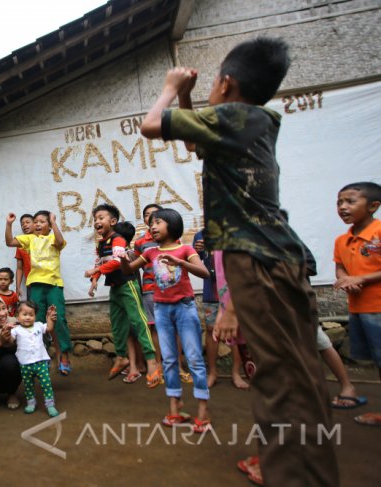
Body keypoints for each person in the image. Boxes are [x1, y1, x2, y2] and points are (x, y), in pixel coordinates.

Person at [141, 37, 338, 485]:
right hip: (281, 256)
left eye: (212, 83)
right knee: (298, 371)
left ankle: (293, 474)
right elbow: (195, 144)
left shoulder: (233, 116)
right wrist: (192, 97)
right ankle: (290, 464)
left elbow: (152, 125)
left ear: (227, 84)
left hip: (256, 259)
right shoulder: (254, 122)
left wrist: (172, 86)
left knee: (280, 378)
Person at [120, 208, 211, 432]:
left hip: (184, 307)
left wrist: (179, 262)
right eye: (151, 223)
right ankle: (175, 407)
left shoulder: (186, 249)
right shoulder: (150, 252)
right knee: (169, 360)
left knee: (194, 359)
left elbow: (203, 272)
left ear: (172, 224)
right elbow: (129, 269)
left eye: (157, 222)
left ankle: (203, 412)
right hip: (161, 309)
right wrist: (122, 259)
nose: (152, 226)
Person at [85, 204, 160, 385]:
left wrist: (97, 269)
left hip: (128, 285)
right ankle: (121, 357)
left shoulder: (118, 240)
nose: (97, 221)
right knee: (118, 325)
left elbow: (117, 262)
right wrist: (95, 278)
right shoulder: (101, 243)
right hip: (115, 287)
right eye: (95, 219)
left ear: (112, 221)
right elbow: (101, 261)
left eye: (101, 218)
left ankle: (151, 361)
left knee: (139, 321)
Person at [333, 181, 381, 426]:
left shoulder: (379, 232)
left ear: (374, 205)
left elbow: (359, 274)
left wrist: (361, 277)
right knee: (376, 361)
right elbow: (340, 266)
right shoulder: (342, 240)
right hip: (358, 308)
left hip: (379, 307)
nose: (343, 207)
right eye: (339, 202)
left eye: (350, 202)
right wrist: (344, 279)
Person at [5, 210, 73, 375]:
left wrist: (54, 222)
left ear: (49, 225)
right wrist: (9, 224)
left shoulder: (53, 238)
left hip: (54, 284)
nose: (37, 224)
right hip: (35, 284)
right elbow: (9, 242)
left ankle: (64, 355)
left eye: (42, 221)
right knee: (37, 321)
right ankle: (41, 357)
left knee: (59, 318)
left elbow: (59, 240)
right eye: (35, 221)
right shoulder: (30, 239)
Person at [193, 229, 249, 390]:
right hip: (211, 290)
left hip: (233, 292)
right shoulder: (200, 235)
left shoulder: (236, 232)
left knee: (235, 332)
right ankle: (213, 373)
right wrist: (199, 252)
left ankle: (236, 373)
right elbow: (199, 260)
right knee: (211, 330)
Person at [8, 301, 59, 417]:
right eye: (24, 314)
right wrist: (6, 333)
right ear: (17, 316)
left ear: (35, 316)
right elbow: (10, 340)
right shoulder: (16, 330)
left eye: (31, 315)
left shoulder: (39, 325)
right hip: (25, 364)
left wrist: (50, 318)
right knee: (28, 385)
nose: (28, 317)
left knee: (46, 384)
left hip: (41, 362)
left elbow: (49, 328)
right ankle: (31, 403)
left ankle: (50, 405)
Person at [133, 204, 163, 375]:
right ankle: (158, 364)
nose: (150, 217)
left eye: (155, 214)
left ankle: (178, 365)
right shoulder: (140, 242)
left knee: (174, 328)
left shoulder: (172, 239)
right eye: (147, 215)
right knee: (154, 328)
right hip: (150, 289)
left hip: (171, 291)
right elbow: (135, 266)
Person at [15, 214, 34, 301]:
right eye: (22, 224)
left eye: (27, 222)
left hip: (47, 282)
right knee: (33, 310)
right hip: (31, 283)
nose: (24, 225)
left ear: (35, 224)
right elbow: (19, 268)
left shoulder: (43, 240)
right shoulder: (20, 245)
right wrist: (18, 287)